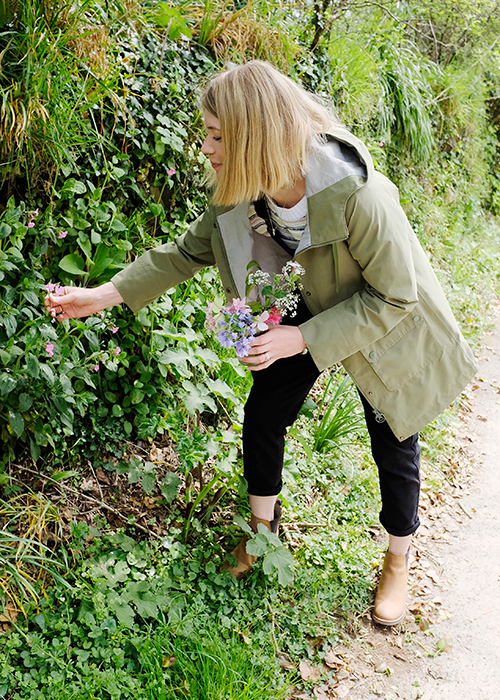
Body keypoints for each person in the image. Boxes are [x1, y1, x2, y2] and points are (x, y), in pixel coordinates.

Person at [45, 60, 477, 626]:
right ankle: (261, 530)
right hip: (302, 297)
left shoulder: (355, 193)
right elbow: (185, 252)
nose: (206, 147)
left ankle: (398, 557)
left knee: (393, 431)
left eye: (218, 136)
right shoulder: (239, 189)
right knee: (264, 410)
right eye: (207, 133)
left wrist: (301, 336)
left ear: (255, 134)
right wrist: (104, 293)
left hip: (376, 309)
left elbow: (397, 296)